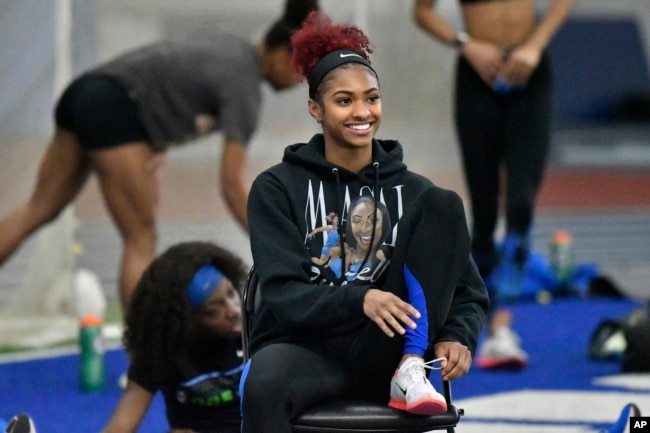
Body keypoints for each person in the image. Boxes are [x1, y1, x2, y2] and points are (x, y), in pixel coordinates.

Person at [239, 12, 490, 432]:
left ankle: (412, 364)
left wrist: (458, 336)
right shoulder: (276, 188)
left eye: (371, 98)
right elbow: (283, 295)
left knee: (445, 203)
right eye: (344, 101)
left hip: (391, 355)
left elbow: (465, 289)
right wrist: (359, 298)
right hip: (306, 349)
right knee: (263, 383)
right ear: (315, 108)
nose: (362, 112)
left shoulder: (418, 194)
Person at [0, 0, 318, 312]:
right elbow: (231, 185)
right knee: (141, 237)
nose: (298, 82)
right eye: (299, 70)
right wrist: (277, 243)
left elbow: (168, 85)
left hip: (85, 92)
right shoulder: (245, 88)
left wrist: (154, 155)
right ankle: (142, 356)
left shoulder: (227, 43)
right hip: (115, 110)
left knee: (37, 209)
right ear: (282, 54)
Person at [413, 0, 575, 369]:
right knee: (483, 211)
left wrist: (535, 44)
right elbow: (422, 11)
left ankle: (503, 327)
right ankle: (471, 323)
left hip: (529, 74)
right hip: (477, 77)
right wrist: (465, 43)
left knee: (521, 204)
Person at [100, 241, 247, 433]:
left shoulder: (257, 330)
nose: (234, 310)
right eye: (214, 310)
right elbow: (120, 426)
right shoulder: (163, 350)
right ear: (186, 320)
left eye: (231, 293)